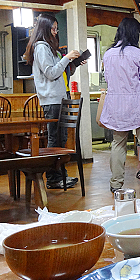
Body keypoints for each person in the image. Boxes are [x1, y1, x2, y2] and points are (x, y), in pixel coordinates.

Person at [24, 13, 83, 189]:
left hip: (59, 98)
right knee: (55, 139)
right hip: (52, 100)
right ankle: (53, 177)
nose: (56, 32)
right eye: (54, 28)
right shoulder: (41, 47)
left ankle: (60, 175)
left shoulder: (50, 48)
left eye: (57, 29)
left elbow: (60, 73)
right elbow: (51, 73)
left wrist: (74, 63)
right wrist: (66, 58)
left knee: (61, 138)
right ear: (45, 28)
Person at [99, 17, 140, 190]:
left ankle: (116, 183)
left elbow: (107, 79)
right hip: (136, 104)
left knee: (118, 143)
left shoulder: (108, 54)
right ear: (134, 34)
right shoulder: (138, 54)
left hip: (115, 105)